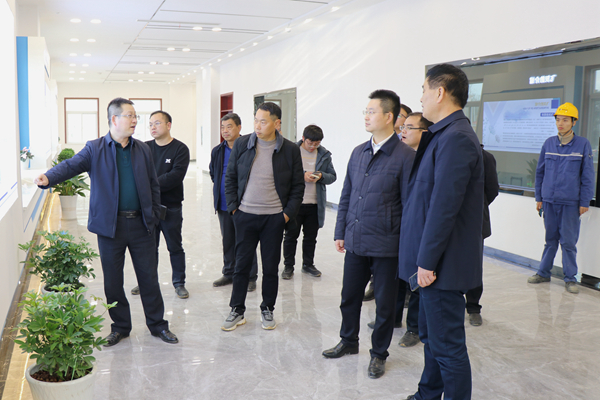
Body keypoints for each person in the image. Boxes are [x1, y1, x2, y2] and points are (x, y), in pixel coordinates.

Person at [34, 98, 178, 346]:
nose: (135, 121)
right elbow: (71, 165)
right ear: (114, 119)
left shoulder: (143, 149)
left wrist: (153, 216)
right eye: (130, 116)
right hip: (111, 228)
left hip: (142, 225)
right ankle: (120, 327)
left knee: (149, 279)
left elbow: (153, 185)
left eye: (135, 116)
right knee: (113, 282)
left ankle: (157, 325)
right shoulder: (95, 148)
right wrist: (49, 177)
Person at [400, 64, 483, 400]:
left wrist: (427, 261)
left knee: (448, 346)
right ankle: (427, 394)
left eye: (423, 90)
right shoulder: (443, 134)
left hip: (442, 267)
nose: (420, 98)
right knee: (433, 338)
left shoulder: (456, 138)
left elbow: (444, 207)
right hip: (435, 264)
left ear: (439, 92)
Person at [323, 90, 415, 379]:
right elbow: (347, 195)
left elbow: (410, 206)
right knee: (349, 297)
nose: (366, 116)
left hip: (387, 245)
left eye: (371, 111)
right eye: (365, 111)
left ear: (389, 117)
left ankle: (379, 354)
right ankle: (349, 340)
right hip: (356, 240)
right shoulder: (358, 152)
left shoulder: (405, 157)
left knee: (385, 306)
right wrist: (341, 231)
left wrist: (406, 246)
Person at [221, 102, 304, 331]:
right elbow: (230, 177)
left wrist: (286, 215)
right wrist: (234, 209)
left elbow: (298, 186)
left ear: (277, 123)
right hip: (245, 215)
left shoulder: (290, 149)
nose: (257, 126)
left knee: (270, 267)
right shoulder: (242, 144)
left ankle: (267, 308)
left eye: (263, 121)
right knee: (241, 266)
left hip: (273, 219)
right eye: (256, 120)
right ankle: (237, 310)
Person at [367, 112, 433, 348]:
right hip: (396, 228)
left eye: (409, 127)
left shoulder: (427, 158)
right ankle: (393, 318)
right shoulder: (399, 156)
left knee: (415, 281)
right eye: (403, 126)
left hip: (417, 229)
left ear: (424, 132)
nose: (403, 131)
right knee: (396, 277)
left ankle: (413, 328)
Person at [528, 102, 594, 294]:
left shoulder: (582, 144)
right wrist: (539, 197)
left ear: (573, 122)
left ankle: (570, 278)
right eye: (558, 120)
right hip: (549, 201)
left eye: (565, 120)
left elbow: (588, 176)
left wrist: (584, 201)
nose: (560, 123)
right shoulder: (549, 143)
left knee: (568, 242)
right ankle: (543, 273)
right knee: (550, 240)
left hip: (570, 203)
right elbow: (540, 173)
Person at [130, 110, 190, 299]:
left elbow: (175, 176)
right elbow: (136, 173)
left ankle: (179, 283)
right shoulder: (144, 148)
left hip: (171, 208)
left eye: (157, 123)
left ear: (168, 125)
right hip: (148, 208)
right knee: (148, 248)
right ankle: (146, 282)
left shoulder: (180, 149)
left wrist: (149, 184)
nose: (152, 127)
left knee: (175, 247)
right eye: (150, 124)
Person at [364, 102, 413, 301]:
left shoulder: (406, 149)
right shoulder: (376, 145)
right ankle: (375, 284)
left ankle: (405, 290)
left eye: (402, 116)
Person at [209, 113, 259, 292]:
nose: (225, 131)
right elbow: (213, 173)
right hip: (223, 204)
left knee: (246, 240)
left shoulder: (249, 147)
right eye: (222, 127)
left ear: (239, 127)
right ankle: (229, 272)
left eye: (229, 126)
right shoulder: (217, 150)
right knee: (228, 240)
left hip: (245, 204)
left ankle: (250, 276)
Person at [282, 124, 337, 279]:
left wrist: (321, 176)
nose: (313, 147)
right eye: (310, 143)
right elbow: (282, 173)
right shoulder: (291, 150)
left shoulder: (324, 154)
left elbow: (332, 176)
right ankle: (288, 266)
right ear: (303, 138)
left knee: (311, 237)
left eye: (316, 144)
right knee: (291, 236)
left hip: (314, 204)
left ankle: (308, 264)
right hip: (295, 204)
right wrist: (303, 174)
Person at [466, 145, 499, 326]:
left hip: (475, 220)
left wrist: (478, 205)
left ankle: (473, 307)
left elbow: (492, 190)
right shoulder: (446, 153)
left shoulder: (485, 157)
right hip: (450, 221)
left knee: (473, 265)